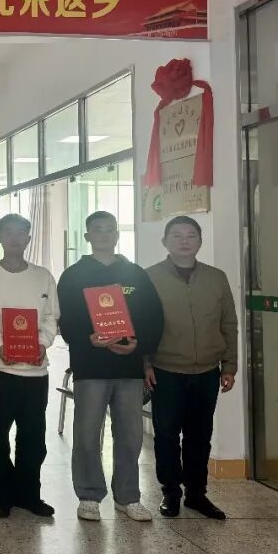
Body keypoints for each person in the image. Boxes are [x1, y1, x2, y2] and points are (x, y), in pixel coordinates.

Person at [57, 210, 163, 523]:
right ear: (87, 236)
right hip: (90, 368)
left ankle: (128, 496)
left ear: (117, 234)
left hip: (129, 368)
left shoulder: (135, 274)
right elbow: (65, 319)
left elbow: (153, 317)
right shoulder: (73, 275)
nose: (104, 234)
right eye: (97, 229)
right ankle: (89, 495)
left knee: (130, 436)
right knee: (87, 434)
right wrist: (86, 338)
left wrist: (138, 345)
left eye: (109, 229)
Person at [0, 213, 59, 519]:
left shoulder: (43, 276)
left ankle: (29, 495)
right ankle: (3, 496)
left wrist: (42, 343)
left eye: (21, 233)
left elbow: (51, 317)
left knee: (33, 438)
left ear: (29, 238)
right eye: (9, 232)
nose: (15, 238)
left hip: (35, 372)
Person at [146, 215, 238, 520]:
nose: (184, 241)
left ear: (200, 241)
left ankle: (197, 494)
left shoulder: (216, 277)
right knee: (167, 435)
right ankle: (170, 492)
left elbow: (229, 323)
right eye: (177, 235)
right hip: (166, 369)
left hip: (207, 371)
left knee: (200, 436)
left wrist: (230, 365)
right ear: (165, 241)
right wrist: (145, 363)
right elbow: (141, 324)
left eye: (191, 235)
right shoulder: (150, 277)